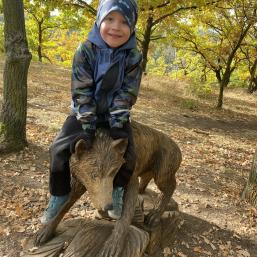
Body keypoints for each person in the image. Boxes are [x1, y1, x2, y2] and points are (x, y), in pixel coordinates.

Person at [40, 0, 142, 224]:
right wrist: (87, 125)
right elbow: (81, 90)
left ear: (132, 26)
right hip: (83, 112)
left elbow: (127, 92)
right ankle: (59, 194)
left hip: (115, 114)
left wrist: (118, 123)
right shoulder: (85, 50)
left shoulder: (134, 56)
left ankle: (117, 189)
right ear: (99, 20)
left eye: (124, 22)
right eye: (109, 19)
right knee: (57, 150)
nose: (116, 27)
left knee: (130, 154)